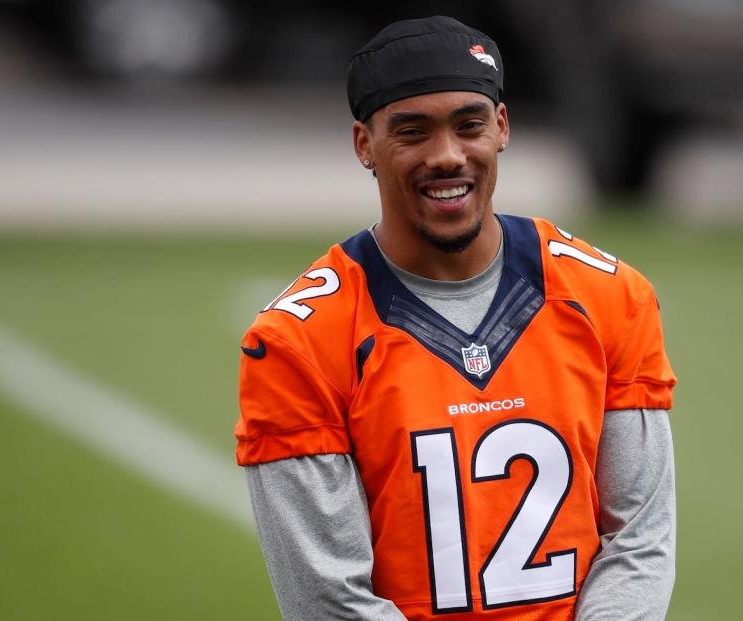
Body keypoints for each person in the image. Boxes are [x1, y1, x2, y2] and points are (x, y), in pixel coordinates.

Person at [235, 15, 677, 620]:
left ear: (501, 127)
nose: (446, 156)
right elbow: (326, 600)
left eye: (468, 125)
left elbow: (639, 540)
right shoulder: (298, 340)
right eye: (411, 131)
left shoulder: (609, 297)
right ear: (364, 144)